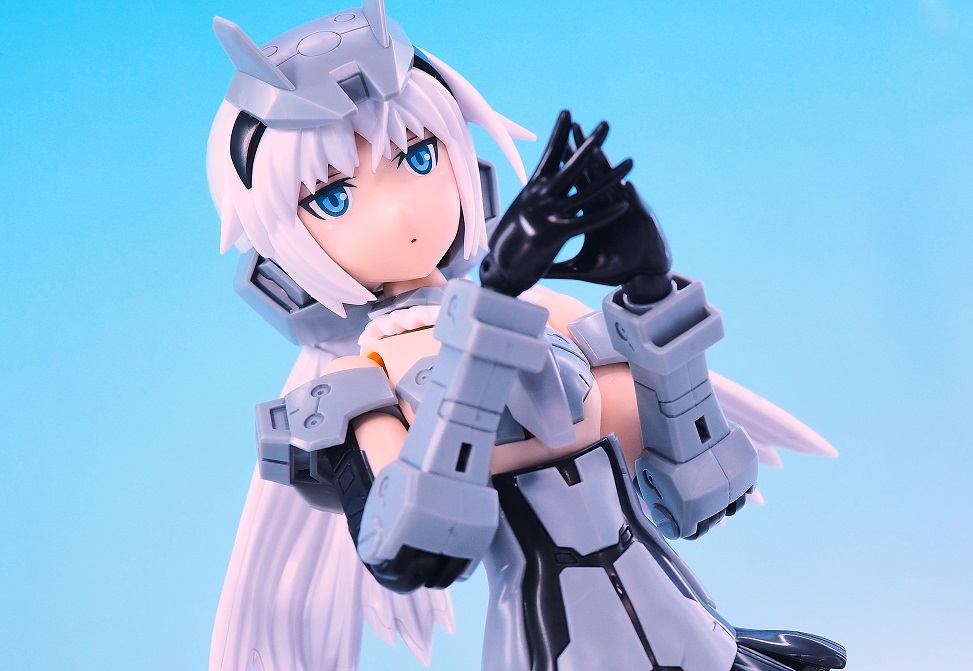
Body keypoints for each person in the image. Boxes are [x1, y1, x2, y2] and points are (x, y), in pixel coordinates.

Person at [206, 3, 846, 670]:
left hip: (697, 637)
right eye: (334, 196)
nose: (400, 209)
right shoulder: (357, 381)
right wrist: (492, 310)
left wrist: (651, 294)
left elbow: (700, 488)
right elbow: (419, 544)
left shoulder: (554, 317)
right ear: (279, 241)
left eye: (418, 156)